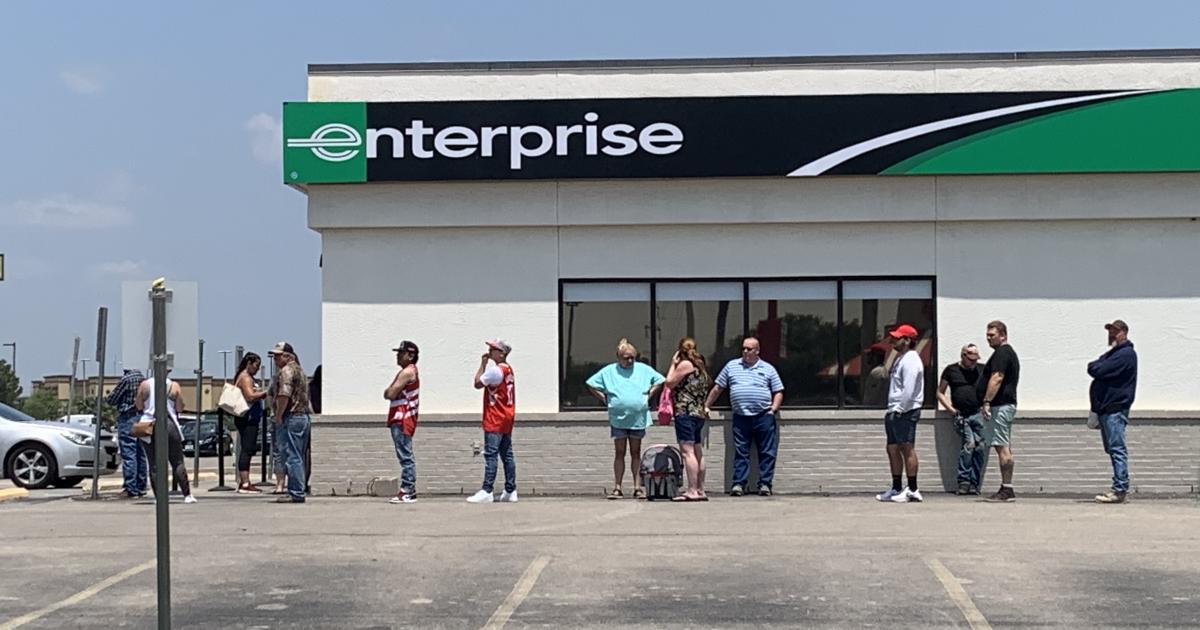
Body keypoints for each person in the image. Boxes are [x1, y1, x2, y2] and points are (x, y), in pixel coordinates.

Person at [705, 336, 784, 496]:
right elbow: (718, 387)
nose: (745, 352)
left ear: (757, 351)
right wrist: (706, 406)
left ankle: (765, 485)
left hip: (763, 416)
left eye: (749, 349)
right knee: (741, 452)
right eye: (743, 349)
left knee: (767, 452)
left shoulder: (768, 369)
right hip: (741, 417)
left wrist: (773, 409)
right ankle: (739, 484)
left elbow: (778, 391)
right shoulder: (732, 366)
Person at [586, 339, 665, 500]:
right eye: (626, 358)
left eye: (632, 358)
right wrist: (604, 399)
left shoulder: (643, 369)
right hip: (618, 418)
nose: (629, 361)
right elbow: (591, 383)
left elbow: (661, 380)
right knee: (619, 452)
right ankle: (617, 487)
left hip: (638, 417)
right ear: (618, 357)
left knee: (636, 452)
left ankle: (637, 487)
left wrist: (649, 395)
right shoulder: (609, 371)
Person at [1088, 319, 1138, 504]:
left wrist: (1098, 368)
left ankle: (1119, 489)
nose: (1112, 334)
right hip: (1106, 409)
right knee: (1112, 449)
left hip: (1115, 409)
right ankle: (1119, 486)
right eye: (1110, 331)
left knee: (1117, 449)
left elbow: (1099, 369)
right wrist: (1097, 367)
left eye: (1115, 331)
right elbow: (1093, 366)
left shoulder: (1125, 354)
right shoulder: (1114, 353)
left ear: (1124, 332)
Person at [876, 324, 926, 503]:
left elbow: (909, 388)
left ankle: (912, 489)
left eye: (898, 337)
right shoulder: (900, 358)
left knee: (907, 447)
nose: (893, 340)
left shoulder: (912, 359)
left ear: (907, 340)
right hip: (894, 409)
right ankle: (896, 486)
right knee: (892, 448)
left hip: (905, 410)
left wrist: (901, 409)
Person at [467, 339, 518, 504]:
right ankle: (510, 490)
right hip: (507, 416)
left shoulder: (496, 371)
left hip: (495, 416)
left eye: (493, 349)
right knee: (507, 454)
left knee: (491, 455)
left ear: (501, 353)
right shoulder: (508, 369)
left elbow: (477, 383)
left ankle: (487, 490)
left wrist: (482, 363)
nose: (489, 351)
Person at [134, 373, 195, 504]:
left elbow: (139, 405)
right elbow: (180, 407)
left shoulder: (144, 385)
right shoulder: (174, 386)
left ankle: (159, 497)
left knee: (154, 464)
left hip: (149, 425)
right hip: (169, 423)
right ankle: (187, 495)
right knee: (177, 461)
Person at [665, 337, 712, 502]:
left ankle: (692, 490)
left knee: (687, 452)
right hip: (698, 413)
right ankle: (700, 489)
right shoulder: (701, 366)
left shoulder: (685, 365)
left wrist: (672, 364)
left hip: (685, 412)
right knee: (697, 451)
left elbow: (669, 382)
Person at [979, 321, 1020, 503]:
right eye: (987, 335)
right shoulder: (1003, 353)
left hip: (1001, 405)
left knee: (1002, 446)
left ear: (1003, 335)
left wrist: (987, 401)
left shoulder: (1003, 353)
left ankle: (1007, 489)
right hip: (1002, 406)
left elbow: (997, 377)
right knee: (1002, 445)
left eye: (992, 335)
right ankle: (1006, 487)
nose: (989, 338)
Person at [937, 344, 986, 495]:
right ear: (963, 356)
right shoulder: (951, 370)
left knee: (980, 447)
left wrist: (987, 405)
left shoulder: (982, 370)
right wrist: (951, 409)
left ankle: (974, 482)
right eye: (970, 359)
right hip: (961, 414)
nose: (973, 363)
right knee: (969, 444)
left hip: (978, 413)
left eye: (975, 360)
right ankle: (963, 481)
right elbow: (940, 392)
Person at [268, 341, 312, 504]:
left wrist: (278, 415)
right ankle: (298, 489)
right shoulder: (300, 370)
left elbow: (284, 394)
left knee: (291, 456)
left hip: (292, 416)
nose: (275, 359)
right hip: (303, 416)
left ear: (288, 356)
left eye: (278, 356)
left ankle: (296, 492)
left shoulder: (286, 371)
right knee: (298, 455)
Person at [384, 341, 420, 504]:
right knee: (405, 454)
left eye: (401, 353)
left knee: (405, 456)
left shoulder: (407, 372)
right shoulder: (406, 372)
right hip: (401, 418)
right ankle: (407, 489)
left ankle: (408, 490)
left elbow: (390, 393)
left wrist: (390, 390)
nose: (397, 356)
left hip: (403, 418)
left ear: (410, 355)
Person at [106, 368, 147, 499]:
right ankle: (141, 486)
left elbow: (112, 399)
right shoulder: (143, 379)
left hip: (128, 417)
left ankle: (130, 487)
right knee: (141, 454)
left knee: (129, 453)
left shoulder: (126, 379)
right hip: (142, 417)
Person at [231, 353, 269, 494]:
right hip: (247, 418)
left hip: (251, 417)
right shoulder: (245, 377)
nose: (257, 369)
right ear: (249, 363)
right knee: (247, 449)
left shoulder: (247, 377)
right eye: (256, 365)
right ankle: (245, 483)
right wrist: (266, 393)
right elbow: (249, 396)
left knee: (249, 448)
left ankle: (245, 481)